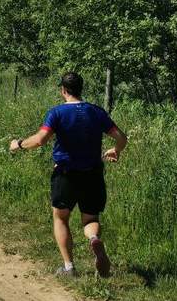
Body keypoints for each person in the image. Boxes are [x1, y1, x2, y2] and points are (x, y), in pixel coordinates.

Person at [9, 72, 127, 278]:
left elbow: (40, 140)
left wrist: (18, 144)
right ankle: (93, 240)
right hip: (92, 174)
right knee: (90, 218)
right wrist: (115, 150)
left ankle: (69, 268)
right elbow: (121, 137)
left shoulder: (56, 113)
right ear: (81, 89)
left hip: (66, 173)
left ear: (63, 90)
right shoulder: (96, 112)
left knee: (61, 218)